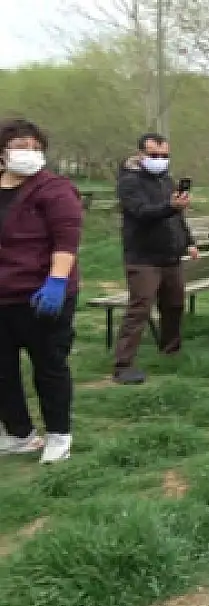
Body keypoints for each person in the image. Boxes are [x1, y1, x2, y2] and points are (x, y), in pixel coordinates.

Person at [0, 117, 83, 463]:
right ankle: (19, 434)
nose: (31, 154)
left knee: (49, 365)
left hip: (42, 293)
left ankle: (58, 435)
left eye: (36, 148)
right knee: (2, 370)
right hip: (3, 295)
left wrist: (57, 281)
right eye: (22, 147)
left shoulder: (54, 189)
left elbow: (67, 239)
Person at [112, 132, 199, 385]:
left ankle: (170, 351)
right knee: (139, 310)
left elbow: (176, 217)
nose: (159, 160)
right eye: (153, 155)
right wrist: (170, 207)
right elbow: (141, 213)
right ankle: (123, 365)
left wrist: (189, 241)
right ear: (140, 155)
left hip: (170, 256)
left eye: (164, 155)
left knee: (174, 305)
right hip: (143, 257)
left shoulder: (166, 180)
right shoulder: (129, 182)